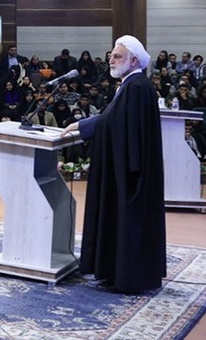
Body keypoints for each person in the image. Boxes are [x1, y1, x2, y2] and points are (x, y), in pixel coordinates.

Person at [60, 36, 165, 294]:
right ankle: (111, 272)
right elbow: (114, 118)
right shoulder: (131, 85)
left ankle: (125, 277)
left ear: (134, 60)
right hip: (126, 166)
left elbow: (114, 122)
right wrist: (86, 125)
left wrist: (83, 125)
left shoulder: (136, 87)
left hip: (129, 172)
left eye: (117, 56)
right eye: (111, 56)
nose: (111, 60)